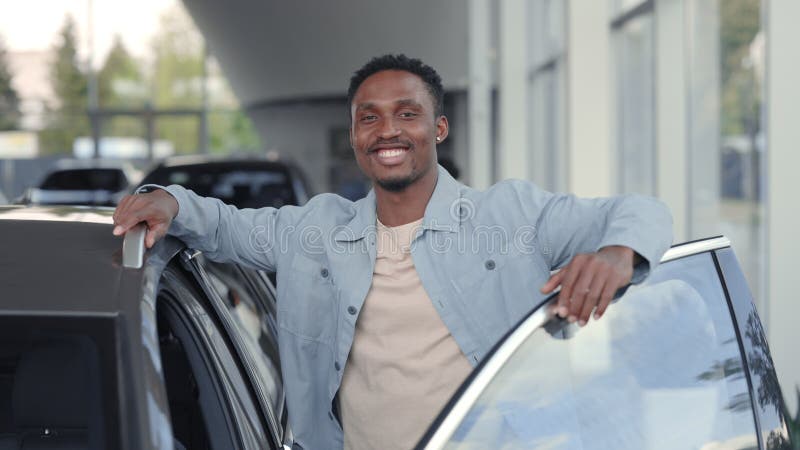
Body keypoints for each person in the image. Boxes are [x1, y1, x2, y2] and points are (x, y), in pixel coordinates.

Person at [112, 54, 672, 450]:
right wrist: (165, 200)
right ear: (355, 135)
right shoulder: (316, 232)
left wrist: (618, 254)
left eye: (407, 113)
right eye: (369, 116)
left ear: (439, 127)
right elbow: (224, 225)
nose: (388, 130)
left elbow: (642, 210)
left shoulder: (512, 215)